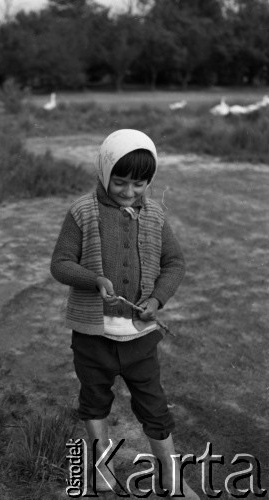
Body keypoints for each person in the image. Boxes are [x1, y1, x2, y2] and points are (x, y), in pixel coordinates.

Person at [50, 129, 198, 498]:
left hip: (140, 339)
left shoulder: (155, 214)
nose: (129, 192)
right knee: (94, 400)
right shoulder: (82, 212)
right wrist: (93, 278)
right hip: (92, 335)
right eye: (120, 182)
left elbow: (174, 263)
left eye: (139, 184)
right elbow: (60, 263)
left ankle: (171, 478)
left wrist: (158, 299)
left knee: (154, 406)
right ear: (104, 172)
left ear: (150, 181)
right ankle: (102, 472)